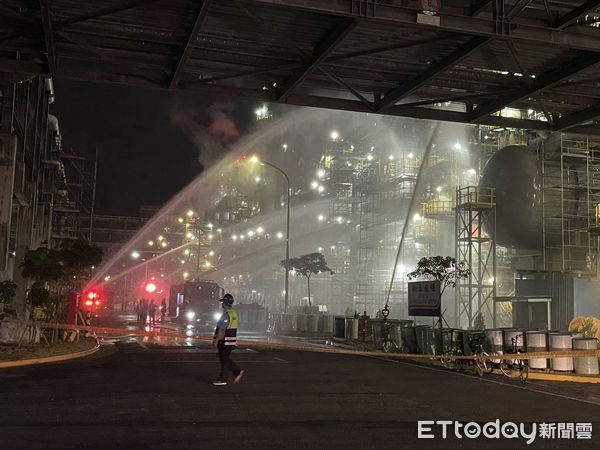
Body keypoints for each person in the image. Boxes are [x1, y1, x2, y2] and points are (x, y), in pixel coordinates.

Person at [212, 293, 244, 386]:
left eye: (223, 302)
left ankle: (224, 378)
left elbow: (222, 329)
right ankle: (236, 371)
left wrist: (216, 340)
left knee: (224, 360)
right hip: (231, 341)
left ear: (225, 303)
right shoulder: (234, 314)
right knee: (225, 359)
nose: (221, 304)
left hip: (224, 341)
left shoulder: (226, 315)